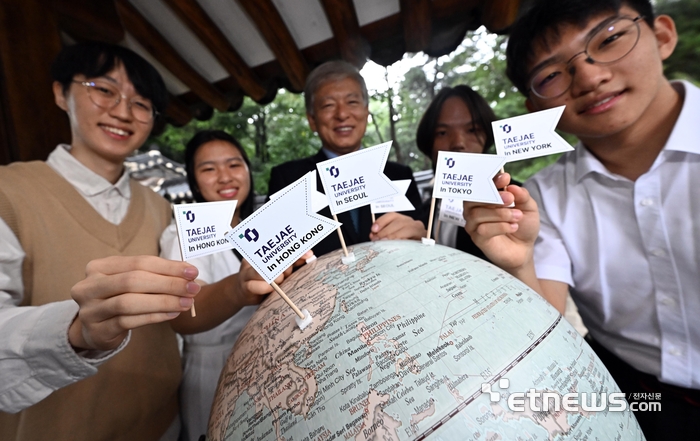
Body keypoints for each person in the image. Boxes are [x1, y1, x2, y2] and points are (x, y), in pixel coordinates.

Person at [0, 41, 285, 441]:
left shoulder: (158, 206)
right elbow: (193, 310)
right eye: (103, 89)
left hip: (165, 423)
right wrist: (76, 332)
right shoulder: (9, 192)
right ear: (60, 93)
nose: (122, 110)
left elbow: (182, 302)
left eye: (141, 103)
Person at [463, 0, 699, 438]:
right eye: (552, 75)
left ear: (662, 35)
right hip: (628, 394)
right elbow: (546, 333)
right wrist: (518, 262)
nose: (590, 77)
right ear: (534, 106)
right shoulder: (543, 199)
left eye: (609, 40)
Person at [416, 85, 587, 335]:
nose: (459, 143)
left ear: (487, 135)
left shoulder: (514, 203)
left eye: (472, 130)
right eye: (442, 132)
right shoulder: (425, 209)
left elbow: (550, 310)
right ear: (429, 142)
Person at [267, 60, 426, 257]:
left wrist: (422, 236)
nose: (342, 114)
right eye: (328, 105)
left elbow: (424, 244)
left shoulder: (398, 174)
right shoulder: (288, 180)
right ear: (312, 120)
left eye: (352, 102)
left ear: (366, 112)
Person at [159, 130, 259, 441]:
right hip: (214, 371)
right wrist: (238, 290)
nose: (224, 177)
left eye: (234, 164)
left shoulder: (261, 225)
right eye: (208, 169)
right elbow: (185, 312)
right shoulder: (182, 235)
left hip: (268, 358)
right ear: (193, 180)